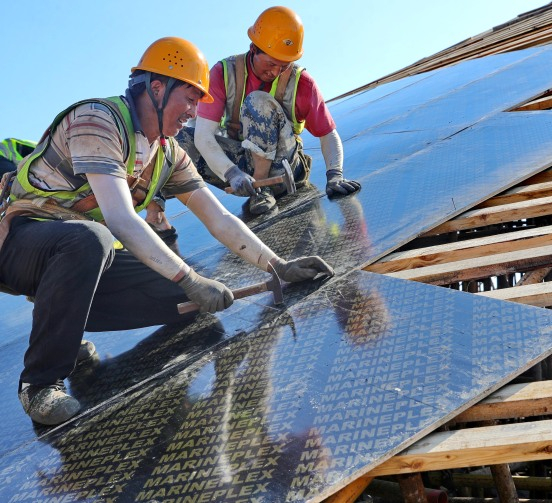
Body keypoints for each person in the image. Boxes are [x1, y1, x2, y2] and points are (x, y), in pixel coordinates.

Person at [0, 37, 335, 426]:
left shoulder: (167, 153)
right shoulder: (98, 120)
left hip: (74, 261)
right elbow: (122, 218)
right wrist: (190, 276)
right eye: (190, 99)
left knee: (185, 302)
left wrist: (277, 266)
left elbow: (218, 218)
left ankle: (62, 330)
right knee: (95, 239)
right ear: (157, 88)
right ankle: (39, 383)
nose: (194, 112)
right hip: (21, 242)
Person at [184, 5, 360, 216]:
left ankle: (262, 191)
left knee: (257, 101)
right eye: (271, 63)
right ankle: (157, 217)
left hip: (285, 168)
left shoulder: (302, 83)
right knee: (179, 140)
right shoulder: (223, 74)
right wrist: (232, 173)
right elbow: (203, 136)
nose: (276, 72)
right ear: (253, 49)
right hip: (241, 174)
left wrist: (335, 175)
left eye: (284, 65)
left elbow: (328, 134)